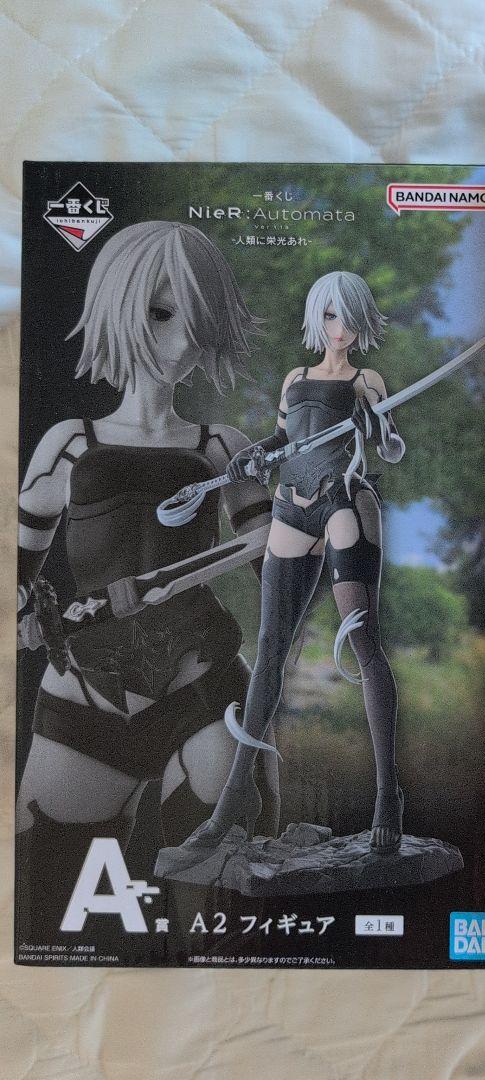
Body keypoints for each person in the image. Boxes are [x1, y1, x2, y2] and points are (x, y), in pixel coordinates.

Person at [15, 221, 275, 897]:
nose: (182, 341)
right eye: (162, 315)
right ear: (119, 305)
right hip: (86, 694)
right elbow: (20, 560)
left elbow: (279, 570)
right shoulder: (71, 443)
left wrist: (320, 506)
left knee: (224, 905)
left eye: (198, 322)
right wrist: (20, 610)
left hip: (206, 690)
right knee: (51, 900)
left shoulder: (223, 446)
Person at [159, 269, 406, 872]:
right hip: (291, 506)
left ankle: (387, 798)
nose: (340, 328)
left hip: (343, 502)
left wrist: (377, 428)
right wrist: (253, 457)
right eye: (331, 315)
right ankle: (229, 807)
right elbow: (279, 441)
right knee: (268, 652)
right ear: (317, 318)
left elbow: (393, 447)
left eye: (349, 317)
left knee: (365, 645)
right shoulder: (295, 380)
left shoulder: (366, 381)